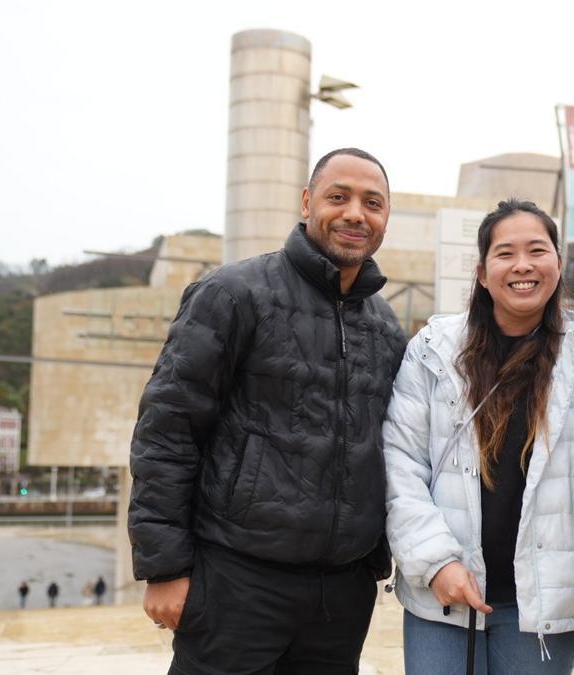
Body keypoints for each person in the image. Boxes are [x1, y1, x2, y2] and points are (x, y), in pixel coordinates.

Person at [128, 147, 407, 675]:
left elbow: (388, 448)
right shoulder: (232, 294)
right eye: (338, 196)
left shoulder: (386, 327)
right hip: (237, 581)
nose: (355, 213)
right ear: (307, 202)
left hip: (340, 597)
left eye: (373, 202)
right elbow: (167, 429)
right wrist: (163, 566)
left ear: (385, 218)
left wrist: (373, 560)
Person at [384, 199, 574, 675]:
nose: (523, 265)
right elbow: (401, 465)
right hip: (443, 597)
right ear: (483, 273)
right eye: (505, 253)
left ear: (557, 262)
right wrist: (436, 562)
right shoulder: (432, 350)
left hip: (546, 608)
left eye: (537, 250)